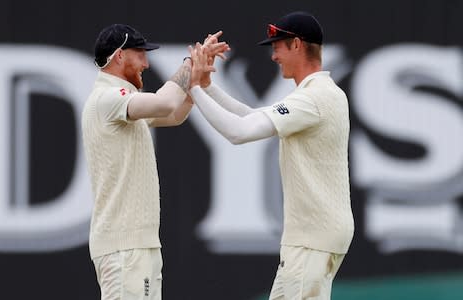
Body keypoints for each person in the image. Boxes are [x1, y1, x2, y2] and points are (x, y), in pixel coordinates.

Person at [189, 11, 354, 300]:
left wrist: (192, 88)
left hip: (312, 238)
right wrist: (207, 87)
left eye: (278, 46)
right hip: (314, 237)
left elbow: (238, 132)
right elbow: (254, 116)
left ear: (297, 45)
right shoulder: (317, 94)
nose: (274, 56)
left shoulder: (314, 98)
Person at [81, 24, 228, 300]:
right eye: (140, 55)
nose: (146, 64)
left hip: (136, 246)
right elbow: (165, 104)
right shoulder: (108, 98)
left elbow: (175, 114)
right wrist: (190, 62)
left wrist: (194, 80)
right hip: (125, 247)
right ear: (120, 55)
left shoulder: (122, 101)